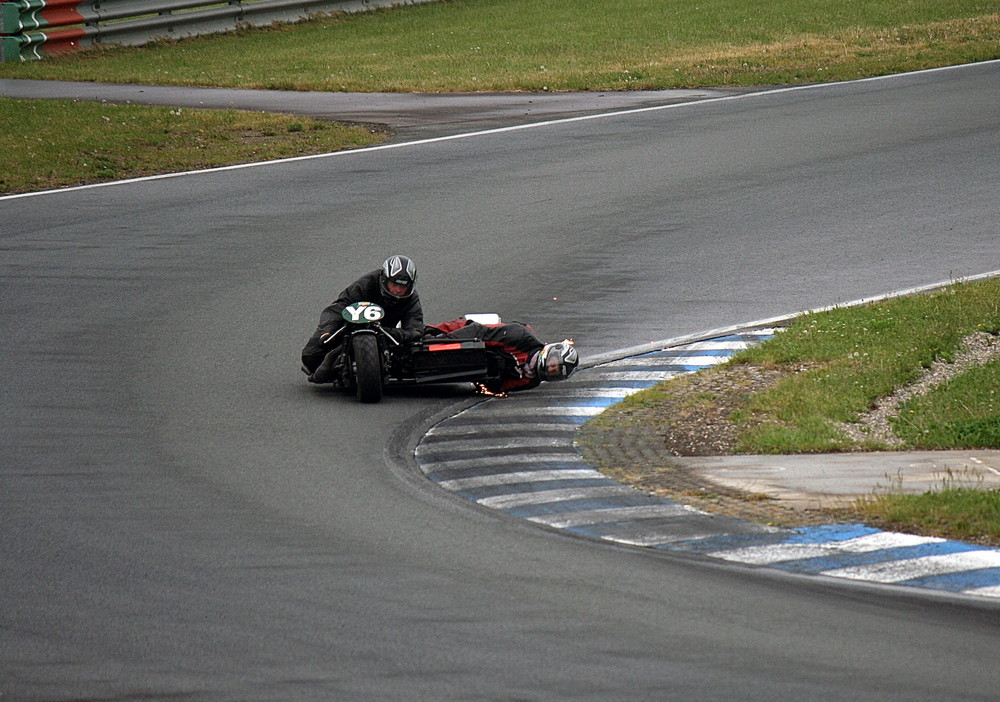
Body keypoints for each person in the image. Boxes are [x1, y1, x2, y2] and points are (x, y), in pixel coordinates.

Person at [301, 255, 423, 383]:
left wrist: (389, 333)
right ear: (384, 280)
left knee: (413, 355)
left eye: (403, 287)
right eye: (394, 284)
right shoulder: (366, 284)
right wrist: (327, 331)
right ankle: (338, 361)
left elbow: (415, 329)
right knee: (310, 357)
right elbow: (337, 309)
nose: (398, 290)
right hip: (352, 327)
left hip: (387, 333)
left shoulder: (411, 298)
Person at [424, 317, 578, 393]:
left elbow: (497, 388)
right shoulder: (520, 337)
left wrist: (496, 376)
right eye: (553, 364)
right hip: (462, 335)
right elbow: (477, 331)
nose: (551, 369)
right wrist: (441, 342)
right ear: (549, 352)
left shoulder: (531, 382)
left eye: (555, 372)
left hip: (468, 369)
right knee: (423, 343)